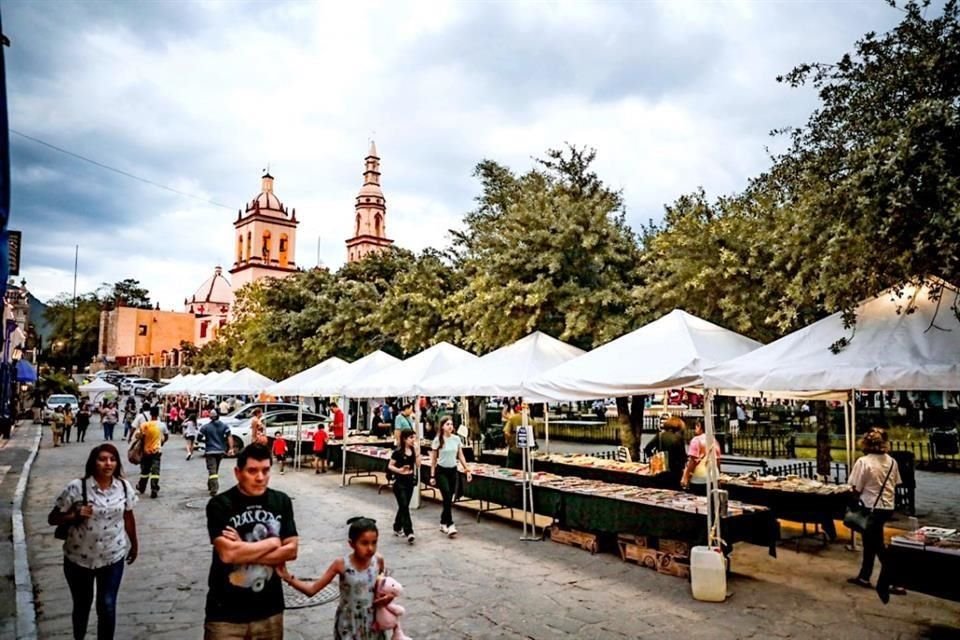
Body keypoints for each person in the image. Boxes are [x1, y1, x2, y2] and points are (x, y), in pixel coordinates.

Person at [204, 444, 298, 640]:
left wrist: (242, 548)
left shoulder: (281, 501)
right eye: (252, 471)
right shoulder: (220, 504)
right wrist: (273, 543)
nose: (260, 477)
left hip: (269, 611)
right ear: (238, 473)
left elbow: (291, 551)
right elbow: (228, 554)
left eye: (265, 470)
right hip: (225, 614)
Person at [49, 444, 138, 640]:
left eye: (112, 459)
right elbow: (53, 518)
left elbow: (128, 516)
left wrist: (134, 544)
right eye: (102, 459)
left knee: (107, 604)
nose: (108, 464)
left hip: (112, 555)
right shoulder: (77, 487)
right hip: (78, 558)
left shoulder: (123, 487)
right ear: (93, 462)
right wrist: (73, 515)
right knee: (82, 604)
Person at [278, 517, 390, 640]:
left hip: (373, 623)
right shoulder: (341, 565)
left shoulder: (378, 561)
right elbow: (312, 590)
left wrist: (387, 597)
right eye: (364, 543)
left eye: (374, 542)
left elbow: (384, 586)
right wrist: (289, 579)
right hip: (349, 625)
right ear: (351, 543)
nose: (370, 548)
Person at [847, 429, 904, 597]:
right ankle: (864, 575)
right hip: (886, 506)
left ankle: (894, 579)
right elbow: (896, 483)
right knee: (870, 541)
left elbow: (856, 487)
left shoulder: (863, 462)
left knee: (877, 544)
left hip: (869, 506)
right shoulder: (892, 462)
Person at [429, 416, 473, 538]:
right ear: (442, 426)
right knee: (447, 495)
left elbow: (461, 456)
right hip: (441, 471)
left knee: (449, 498)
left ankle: (443, 522)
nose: (450, 426)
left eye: (451, 424)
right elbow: (433, 460)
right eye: (447, 424)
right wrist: (432, 475)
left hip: (453, 470)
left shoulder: (456, 439)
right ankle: (450, 524)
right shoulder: (437, 440)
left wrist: (467, 469)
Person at [388, 430, 418, 543]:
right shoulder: (397, 452)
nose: (413, 440)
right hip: (399, 481)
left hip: (409, 480)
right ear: (405, 439)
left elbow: (418, 464)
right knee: (404, 505)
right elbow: (390, 466)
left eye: (414, 437)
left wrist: (418, 451)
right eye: (411, 437)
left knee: (403, 506)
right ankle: (409, 531)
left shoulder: (413, 451)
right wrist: (399, 470)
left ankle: (397, 526)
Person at [643, 416, 687, 489]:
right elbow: (682, 457)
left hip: (660, 469)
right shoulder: (678, 438)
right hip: (674, 472)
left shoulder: (659, 436)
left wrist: (654, 458)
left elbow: (647, 449)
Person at [133, 406, 168, 499]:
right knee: (155, 471)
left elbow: (138, 436)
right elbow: (166, 436)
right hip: (156, 451)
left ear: (150, 414)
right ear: (158, 414)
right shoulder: (162, 425)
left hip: (146, 452)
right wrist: (162, 442)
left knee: (145, 471)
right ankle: (154, 488)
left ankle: (141, 487)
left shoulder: (144, 425)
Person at [681, 420, 721, 490]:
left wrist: (686, 477)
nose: (695, 428)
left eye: (697, 425)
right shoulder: (714, 440)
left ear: (700, 427)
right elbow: (717, 460)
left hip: (699, 478)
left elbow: (692, 461)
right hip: (713, 476)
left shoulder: (696, 440)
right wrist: (718, 477)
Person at [200, 410, 232, 496]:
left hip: (210, 451)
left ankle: (214, 488)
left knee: (212, 470)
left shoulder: (206, 427)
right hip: (221, 451)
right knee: (215, 469)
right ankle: (210, 484)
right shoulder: (224, 426)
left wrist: (205, 441)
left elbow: (199, 437)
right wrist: (231, 448)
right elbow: (229, 436)